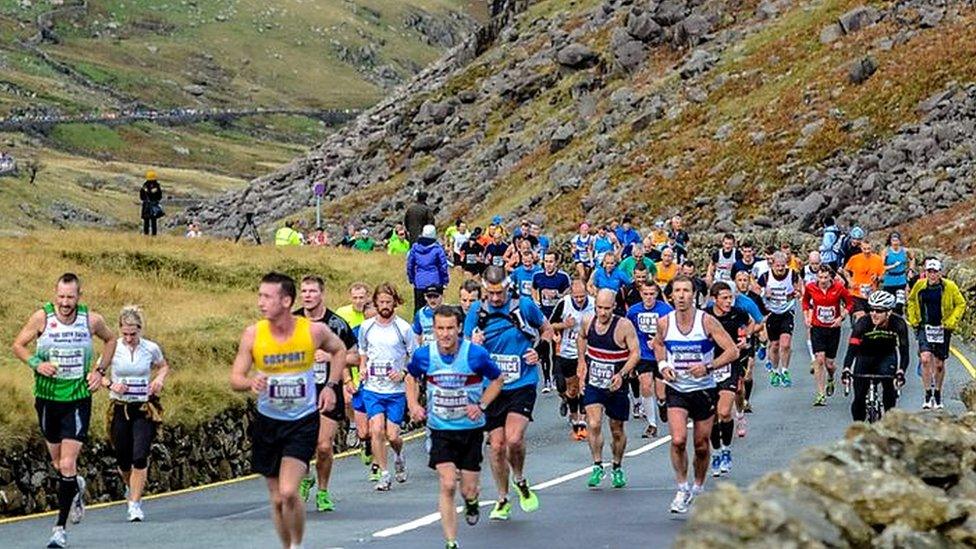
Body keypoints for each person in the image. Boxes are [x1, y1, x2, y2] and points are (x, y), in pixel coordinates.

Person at [229, 272, 348, 549]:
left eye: (267, 297)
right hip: (268, 422)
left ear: (286, 300)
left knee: (288, 491)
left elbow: (340, 350)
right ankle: (288, 546)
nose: (261, 303)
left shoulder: (312, 331)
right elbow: (235, 378)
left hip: (301, 421)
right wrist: (250, 382)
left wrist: (331, 385)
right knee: (277, 499)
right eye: (260, 296)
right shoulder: (253, 334)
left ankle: (297, 545)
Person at [12, 273, 117, 548]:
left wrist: (99, 371)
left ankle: (59, 529)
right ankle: (75, 487)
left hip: (78, 398)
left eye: (70, 297)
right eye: (61, 296)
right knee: (59, 464)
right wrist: (37, 363)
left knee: (68, 463)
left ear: (79, 296)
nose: (65, 302)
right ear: (55, 294)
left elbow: (110, 340)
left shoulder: (91, 320)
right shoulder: (42, 318)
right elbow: (18, 345)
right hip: (47, 399)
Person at [407, 306, 505, 549]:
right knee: (448, 482)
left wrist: (481, 405)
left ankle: (471, 501)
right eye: (440, 328)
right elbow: (410, 377)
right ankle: (451, 541)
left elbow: (497, 380)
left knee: (469, 489)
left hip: (470, 429)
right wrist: (413, 404)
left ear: (459, 328)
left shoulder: (476, 355)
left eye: (450, 328)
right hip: (440, 429)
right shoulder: (424, 355)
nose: (445, 334)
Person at [464, 266, 553, 521]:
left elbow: (547, 330)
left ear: (507, 286)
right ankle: (502, 499)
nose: (495, 298)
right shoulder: (476, 311)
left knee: (514, 439)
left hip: (521, 382)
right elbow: (465, 347)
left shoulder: (523, 305)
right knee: (496, 446)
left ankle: (520, 478)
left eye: (499, 292)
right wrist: (474, 345)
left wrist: (538, 348)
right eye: (490, 293)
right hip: (492, 387)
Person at [653, 276, 738, 514]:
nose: (681, 295)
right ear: (671, 295)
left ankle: (698, 488)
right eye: (677, 291)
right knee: (678, 440)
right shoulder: (664, 322)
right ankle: (682, 488)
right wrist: (662, 366)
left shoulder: (707, 322)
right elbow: (657, 345)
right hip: (677, 389)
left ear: (694, 295)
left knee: (701, 445)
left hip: (704, 389)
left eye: (686, 291)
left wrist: (708, 367)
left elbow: (732, 351)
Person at [294, 276, 358, 512]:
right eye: (304, 291)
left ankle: (322, 490)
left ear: (322, 294)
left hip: (328, 389)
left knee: (323, 446)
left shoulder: (337, 324)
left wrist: (331, 357)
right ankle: (305, 477)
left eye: (312, 291)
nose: (307, 295)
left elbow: (355, 357)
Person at [103, 306, 169, 522]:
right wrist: (112, 384)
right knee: (123, 457)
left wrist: (158, 380)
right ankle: (130, 488)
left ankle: (135, 503)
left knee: (139, 455)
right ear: (120, 330)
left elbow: (163, 366)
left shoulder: (150, 348)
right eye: (125, 334)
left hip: (142, 408)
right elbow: (97, 374)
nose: (129, 338)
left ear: (140, 330)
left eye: (133, 334)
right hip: (120, 407)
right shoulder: (113, 348)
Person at [578, 290, 640, 488]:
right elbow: (581, 337)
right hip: (594, 382)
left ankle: (617, 466)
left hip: (616, 384)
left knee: (617, 430)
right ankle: (597, 464)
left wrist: (622, 374)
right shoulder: (588, 321)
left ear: (614, 307)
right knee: (594, 423)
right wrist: (581, 361)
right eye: (599, 308)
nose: (602, 313)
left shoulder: (624, 326)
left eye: (606, 308)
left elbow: (636, 353)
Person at [358, 283, 417, 491]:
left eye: (388, 302)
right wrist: (363, 367)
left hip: (396, 391)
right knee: (375, 430)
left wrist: (403, 373)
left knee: (392, 435)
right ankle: (383, 473)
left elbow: (414, 358)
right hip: (373, 388)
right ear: (375, 303)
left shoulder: (403, 328)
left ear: (395, 303)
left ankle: (399, 454)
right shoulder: (367, 327)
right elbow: (362, 350)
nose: (384, 306)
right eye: (381, 302)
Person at [706, 283, 754, 478]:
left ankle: (726, 449)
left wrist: (746, 338)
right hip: (709, 365)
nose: (728, 302)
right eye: (724, 298)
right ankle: (716, 452)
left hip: (730, 364)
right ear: (714, 298)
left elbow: (751, 322)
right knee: (712, 416)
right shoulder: (705, 315)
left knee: (724, 411)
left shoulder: (737, 313)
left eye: (730, 298)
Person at [907, 258, 967, 410]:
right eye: (929, 272)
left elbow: (961, 304)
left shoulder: (949, 287)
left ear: (940, 273)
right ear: (925, 272)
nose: (932, 275)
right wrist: (914, 319)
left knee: (939, 364)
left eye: (935, 272)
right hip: (924, 327)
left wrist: (951, 322)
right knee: (926, 359)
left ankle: (938, 394)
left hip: (942, 328)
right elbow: (912, 300)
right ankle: (927, 394)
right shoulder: (920, 285)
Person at [842, 291, 908, 422]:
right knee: (859, 397)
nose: (873, 314)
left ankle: (890, 425)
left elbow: (904, 351)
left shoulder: (898, 323)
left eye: (878, 311)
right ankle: (859, 428)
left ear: (888, 312)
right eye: (871, 309)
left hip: (887, 357)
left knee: (889, 390)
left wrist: (901, 371)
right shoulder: (863, 323)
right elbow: (852, 348)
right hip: (865, 357)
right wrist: (847, 368)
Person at [336, 282, 378, 475]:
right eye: (355, 298)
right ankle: (360, 436)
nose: (359, 301)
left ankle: (378, 467)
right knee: (365, 430)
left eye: (362, 297)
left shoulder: (379, 319)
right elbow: (344, 354)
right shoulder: (348, 321)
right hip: (357, 378)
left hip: (379, 383)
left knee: (378, 427)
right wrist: (347, 380)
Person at [625, 281, 673, 439]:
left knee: (661, 393)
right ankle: (652, 424)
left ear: (657, 294)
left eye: (652, 294)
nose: (649, 297)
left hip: (661, 354)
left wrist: (660, 340)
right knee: (645, 386)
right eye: (646, 294)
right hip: (643, 354)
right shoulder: (633, 311)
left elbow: (674, 331)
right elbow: (627, 331)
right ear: (641, 294)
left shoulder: (666, 310)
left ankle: (662, 403)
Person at [802, 265, 853, 406]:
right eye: (820, 277)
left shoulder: (839, 288)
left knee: (829, 364)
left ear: (831, 276)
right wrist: (806, 316)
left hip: (833, 329)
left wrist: (841, 317)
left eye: (825, 277)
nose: (822, 280)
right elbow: (805, 301)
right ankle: (820, 393)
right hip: (817, 327)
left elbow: (850, 303)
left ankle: (831, 377)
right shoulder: (811, 287)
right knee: (819, 360)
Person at [550, 281, 595, 439]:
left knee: (584, 385)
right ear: (571, 294)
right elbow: (549, 325)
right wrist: (564, 324)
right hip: (567, 351)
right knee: (572, 389)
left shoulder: (594, 304)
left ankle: (581, 422)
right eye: (576, 297)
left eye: (582, 296)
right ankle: (574, 415)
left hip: (587, 351)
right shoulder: (564, 303)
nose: (580, 300)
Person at [757, 252, 801, 388]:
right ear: (772, 265)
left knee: (786, 344)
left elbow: (799, 289)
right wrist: (765, 293)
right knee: (774, 345)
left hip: (787, 312)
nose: (780, 269)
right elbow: (756, 291)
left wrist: (796, 293)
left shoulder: (792, 274)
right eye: (778, 266)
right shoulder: (765, 277)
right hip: (772, 313)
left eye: (783, 266)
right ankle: (775, 371)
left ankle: (785, 371)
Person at [531, 252, 571, 393]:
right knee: (545, 348)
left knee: (556, 349)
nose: (548, 264)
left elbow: (568, 293)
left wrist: (557, 295)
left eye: (551, 261)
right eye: (546, 261)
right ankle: (547, 379)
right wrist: (536, 301)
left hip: (557, 319)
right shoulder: (537, 276)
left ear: (556, 262)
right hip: (543, 318)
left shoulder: (563, 277)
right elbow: (534, 289)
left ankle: (555, 376)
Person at [407, 224, 450, 315]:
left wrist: (411, 279)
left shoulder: (415, 248)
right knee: (436, 308)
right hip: (435, 281)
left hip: (420, 281)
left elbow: (410, 265)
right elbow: (443, 267)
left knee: (418, 308)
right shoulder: (437, 249)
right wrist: (445, 281)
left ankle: (417, 327)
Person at [844, 240, 885, 321]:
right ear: (861, 248)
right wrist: (849, 281)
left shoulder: (878, 259)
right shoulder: (855, 258)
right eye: (864, 249)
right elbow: (845, 270)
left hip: (871, 295)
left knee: (869, 319)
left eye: (869, 249)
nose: (867, 251)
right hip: (856, 293)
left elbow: (882, 276)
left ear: (872, 248)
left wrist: (877, 277)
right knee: (861, 317)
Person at [882, 232, 914, 315]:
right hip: (889, 281)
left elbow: (912, 259)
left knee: (899, 304)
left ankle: (899, 321)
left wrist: (911, 270)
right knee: (889, 304)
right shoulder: (886, 252)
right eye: (893, 240)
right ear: (890, 241)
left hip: (901, 280)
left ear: (900, 241)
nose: (895, 242)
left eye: (897, 240)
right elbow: (881, 267)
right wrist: (892, 266)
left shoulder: (905, 251)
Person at [139, 171, 163, 236]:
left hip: (146, 206)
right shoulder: (157, 186)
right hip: (154, 205)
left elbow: (141, 196)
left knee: (146, 222)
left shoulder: (144, 186)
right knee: (154, 222)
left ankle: (146, 235)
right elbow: (160, 196)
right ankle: (154, 235)